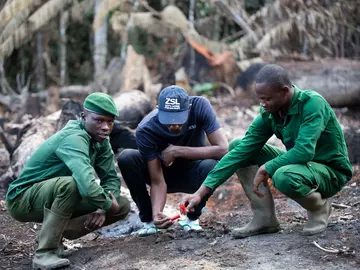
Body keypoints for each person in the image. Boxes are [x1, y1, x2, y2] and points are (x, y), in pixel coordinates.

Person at [182, 64, 353, 238]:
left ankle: (318, 207)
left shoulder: (312, 104)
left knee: (283, 175)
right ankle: (264, 218)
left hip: (331, 172)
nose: (262, 104)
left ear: (285, 91)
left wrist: (267, 167)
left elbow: (304, 152)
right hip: (302, 166)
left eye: (267, 99)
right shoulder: (271, 112)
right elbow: (240, 152)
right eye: (260, 99)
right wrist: (201, 193)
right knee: (237, 145)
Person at [6, 93, 130, 269]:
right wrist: (107, 203)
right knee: (70, 184)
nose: (106, 127)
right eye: (99, 120)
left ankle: (52, 237)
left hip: (54, 197)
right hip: (22, 199)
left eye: (110, 122)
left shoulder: (101, 140)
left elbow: (110, 178)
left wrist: (104, 207)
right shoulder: (73, 138)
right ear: (83, 117)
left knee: (123, 204)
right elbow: (87, 185)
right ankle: (44, 253)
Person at [117, 85, 228, 236]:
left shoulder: (200, 106)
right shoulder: (146, 128)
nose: (174, 125)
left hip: (192, 171)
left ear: (189, 108)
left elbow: (223, 149)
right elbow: (157, 181)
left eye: (179, 119)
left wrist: (177, 151)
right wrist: (157, 213)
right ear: (158, 109)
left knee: (211, 165)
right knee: (127, 157)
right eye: (168, 120)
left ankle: (191, 218)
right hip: (162, 174)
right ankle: (150, 221)